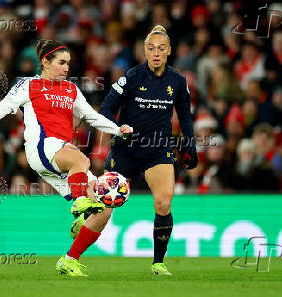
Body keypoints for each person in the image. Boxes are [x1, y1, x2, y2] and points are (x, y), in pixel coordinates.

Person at [0, 39, 133, 276]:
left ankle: (70, 259)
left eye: (68, 64)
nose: (66, 68)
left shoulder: (71, 89)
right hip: (43, 147)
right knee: (81, 159)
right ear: (45, 61)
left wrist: (117, 129)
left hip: (58, 157)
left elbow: (91, 117)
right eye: (61, 63)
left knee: (106, 207)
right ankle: (80, 204)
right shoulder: (28, 85)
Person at [74, 25, 198, 276]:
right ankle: (73, 253)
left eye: (161, 48)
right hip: (125, 150)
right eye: (151, 48)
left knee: (163, 203)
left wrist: (191, 146)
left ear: (169, 51)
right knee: (105, 208)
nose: (156, 53)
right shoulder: (130, 77)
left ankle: (158, 263)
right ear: (144, 50)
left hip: (158, 151)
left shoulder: (178, 81)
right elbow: (106, 109)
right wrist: (117, 128)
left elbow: (185, 116)